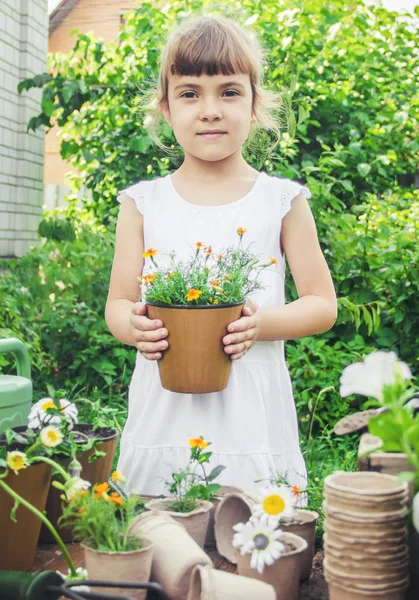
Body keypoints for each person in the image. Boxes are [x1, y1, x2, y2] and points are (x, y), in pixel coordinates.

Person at [105, 14, 337, 496]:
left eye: (229, 92)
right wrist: (135, 328)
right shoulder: (142, 203)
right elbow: (117, 305)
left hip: (250, 416)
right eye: (190, 93)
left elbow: (321, 304)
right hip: (164, 412)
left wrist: (260, 324)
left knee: (254, 546)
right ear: (166, 108)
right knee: (158, 539)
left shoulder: (282, 201)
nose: (210, 110)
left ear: (255, 105)